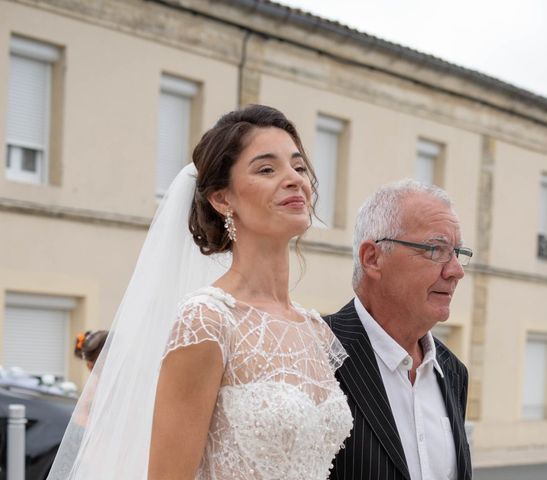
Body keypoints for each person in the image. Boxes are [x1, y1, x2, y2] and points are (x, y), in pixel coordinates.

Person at [48, 105, 352, 480]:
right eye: (267, 169)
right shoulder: (207, 321)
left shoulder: (314, 330)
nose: (294, 179)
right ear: (223, 199)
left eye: (299, 166)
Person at [325, 180, 473, 480]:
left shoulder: (454, 372)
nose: (456, 270)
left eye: (457, 252)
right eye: (436, 249)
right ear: (373, 258)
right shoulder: (315, 353)